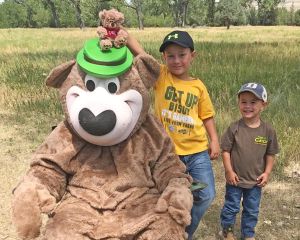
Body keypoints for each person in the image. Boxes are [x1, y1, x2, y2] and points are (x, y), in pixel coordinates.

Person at [126, 30, 220, 239]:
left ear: (192, 55)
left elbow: (207, 116)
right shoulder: (160, 76)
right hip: (167, 154)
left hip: (197, 153)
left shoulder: (198, 87)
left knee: (205, 195)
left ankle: (182, 233)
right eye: (170, 55)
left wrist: (214, 140)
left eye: (182, 54)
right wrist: (120, 33)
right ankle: (162, 230)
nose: (176, 60)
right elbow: (139, 52)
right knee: (161, 196)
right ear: (164, 58)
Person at [219, 83, 279, 240]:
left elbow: (271, 153)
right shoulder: (234, 128)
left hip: (255, 181)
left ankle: (248, 234)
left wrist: (267, 172)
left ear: (263, 105)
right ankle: (227, 231)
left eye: (253, 102)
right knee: (231, 207)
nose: (247, 106)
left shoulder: (268, 130)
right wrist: (229, 171)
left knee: (251, 209)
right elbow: (225, 150)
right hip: (235, 179)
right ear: (238, 103)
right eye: (243, 101)